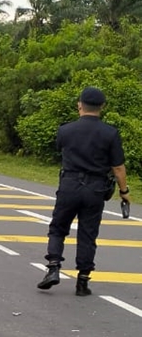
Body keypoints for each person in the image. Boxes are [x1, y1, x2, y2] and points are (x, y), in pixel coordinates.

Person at [37, 86, 130, 296]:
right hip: (95, 188)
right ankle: (82, 281)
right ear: (102, 107)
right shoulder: (110, 133)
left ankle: (53, 268)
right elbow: (118, 167)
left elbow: (60, 149)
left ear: (79, 104)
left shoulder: (65, 130)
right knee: (88, 234)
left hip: (69, 185)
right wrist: (124, 192)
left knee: (58, 228)